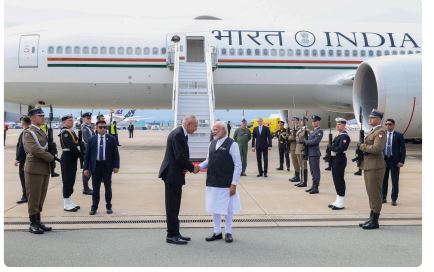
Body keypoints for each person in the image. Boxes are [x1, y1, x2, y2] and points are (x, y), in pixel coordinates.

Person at [158, 115, 199, 245]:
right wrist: (192, 168)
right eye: (195, 126)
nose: (196, 129)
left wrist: (186, 168)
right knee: (172, 206)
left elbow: (180, 156)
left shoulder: (181, 133)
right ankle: (171, 235)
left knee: (175, 205)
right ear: (188, 124)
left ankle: (176, 232)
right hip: (172, 175)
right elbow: (179, 156)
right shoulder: (177, 135)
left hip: (175, 174)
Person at [199, 121, 242, 243]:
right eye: (213, 129)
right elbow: (208, 160)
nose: (213, 131)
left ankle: (228, 232)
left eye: (216, 129)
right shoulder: (212, 143)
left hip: (226, 182)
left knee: (228, 209)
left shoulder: (232, 144)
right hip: (213, 181)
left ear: (223, 130)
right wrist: (198, 167)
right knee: (214, 207)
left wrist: (234, 183)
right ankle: (217, 231)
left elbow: (238, 165)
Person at [22, 107, 55, 234]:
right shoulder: (28, 132)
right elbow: (34, 149)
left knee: (41, 197)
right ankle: (33, 223)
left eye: (43, 115)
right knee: (33, 197)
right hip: (34, 169)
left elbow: (45, 147)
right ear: (32, 118)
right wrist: (51, 157)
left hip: (44, 169)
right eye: (40, 115)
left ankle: (38, 221)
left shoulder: (41, 131)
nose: (43, 117)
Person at [358, 109, 387, 230]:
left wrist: (362, 146)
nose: (369, 119)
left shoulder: (380, 132)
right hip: (369, 165)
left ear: (379, 119)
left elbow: (377, 149)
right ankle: (371, 217)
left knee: (375, 193)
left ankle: (375, 221)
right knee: (371, 193)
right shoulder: (373, 131)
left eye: (372, 118)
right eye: (369, 118)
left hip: (375, 167)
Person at [84, 120, 120, 215]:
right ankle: (94, 207)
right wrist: (86, 168)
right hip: (95, 167)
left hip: (107, 167)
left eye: (105, 127)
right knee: (96, 189)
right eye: (100, 127)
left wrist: (116, 166)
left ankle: (109, 205)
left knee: (108, 187)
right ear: (96, 128)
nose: (103, 129)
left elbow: (116, 154)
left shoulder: (111, 139)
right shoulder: (92, 139)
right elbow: (87, 156)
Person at [59, 115, 81, 212]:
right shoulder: (65, 132)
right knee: (67, 181)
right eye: (69, 120)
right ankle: (66, 204)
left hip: (72, 158)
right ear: (64, 122)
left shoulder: (71, 131)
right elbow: (72, 147)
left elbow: (78, 144)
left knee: (71, 180)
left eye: (72, 120)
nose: (72, 122)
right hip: (67, 158)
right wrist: (81, 156)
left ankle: (69, 201)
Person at [327, 118, 351, 210]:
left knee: (339, 180)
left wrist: (331, 147)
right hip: (335, 159)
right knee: (336, 180)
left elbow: (341, 148)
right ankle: (338, 200)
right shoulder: (339, 136)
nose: (337, 126)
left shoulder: (345, 137)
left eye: (340, 124)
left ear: (344, 125)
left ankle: (341, 202)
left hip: (340, 159)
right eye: (337, 124)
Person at [382, 119, 406, 206]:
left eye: (390, 124)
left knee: (395, 181)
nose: (388, 126)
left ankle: (394, 199)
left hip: (395, 161)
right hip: (384, 160)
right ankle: (383, 197)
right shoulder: (382, 134)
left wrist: (401, 161)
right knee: (384, 180)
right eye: (386, 124)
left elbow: (403, 149)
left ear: (393, 125)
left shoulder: (399, 135)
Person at [304, 115, 324, 194]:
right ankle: (313, 186)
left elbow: (315, 141)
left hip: (315, 154)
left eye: (314, 121)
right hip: (310, 153)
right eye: (312, 121)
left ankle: (316, 187)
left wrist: (306, 142)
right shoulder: (313, 131)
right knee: (312, 171)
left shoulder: (319, 131)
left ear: (318, 122)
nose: (313, 122)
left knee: (316, 171)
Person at [14, 116, 31, 204]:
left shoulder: (24, 132)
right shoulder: (32, 131)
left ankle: (25, 196)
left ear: (23, 123)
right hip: (31, 159)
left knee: (23, 178)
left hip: (24, 160)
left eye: (21, 122)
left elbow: (21, 147)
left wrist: (17, 159)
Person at [81, 112, 95, 195]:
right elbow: (87, 141)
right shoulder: (85, 129)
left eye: (90, 118)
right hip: (88, 152)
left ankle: (86, 188)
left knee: (89, 170)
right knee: (87, 170)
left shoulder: (89, 128)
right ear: (83, 119)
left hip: (91, 152)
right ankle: (85, 188)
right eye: (87, 118)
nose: (89, 120)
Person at [294, 117, 309, 187]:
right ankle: (301, 180)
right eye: (301, 121)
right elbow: (296, 137)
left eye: (303, 121)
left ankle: (304, 182)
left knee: (303, 166)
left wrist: (305, 131)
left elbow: (302, 138)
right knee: (300, 166)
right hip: (298, 148)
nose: (301, 122)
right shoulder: (301, 129)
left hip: (302, 148)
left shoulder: (306, 130)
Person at [288, 117, 301, 182]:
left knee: (297, 162)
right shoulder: (293, 128)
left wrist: (289, 137)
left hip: (297, 146)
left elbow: (293, 137)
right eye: (292, 120)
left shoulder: (299, 128)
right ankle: (296, 175)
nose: (293, 121)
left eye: (294, 120)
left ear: (298, 121)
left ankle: (298, 176)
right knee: (294, 162)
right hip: (292, 147)